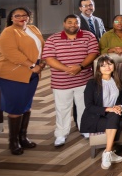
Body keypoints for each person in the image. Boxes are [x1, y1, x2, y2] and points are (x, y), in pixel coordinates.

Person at [0, 7, 45, 155]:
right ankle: (13, 142)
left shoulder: (33, 29)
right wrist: (32, 65)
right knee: (15, 107)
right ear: (11, 18)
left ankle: (23, 138)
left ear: (29, 17)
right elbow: (11, 53)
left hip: (32, 73)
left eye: (25, 15)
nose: (21, 18)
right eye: (17, 16)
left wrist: (43, 63)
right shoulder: (9, 32)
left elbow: (42, 47)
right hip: (11, 74)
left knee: (26, 105)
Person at [42, 14, 100, 146]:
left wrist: (80, 67)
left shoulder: (88, 36)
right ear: (64, 23)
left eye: (76, 22)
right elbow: (49, 58)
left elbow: (93, 53)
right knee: (62, 109)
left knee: (84, 106)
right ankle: (61, 134)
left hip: (84, 80)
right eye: (70, 22)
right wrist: (67, 69)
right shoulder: (53, 39)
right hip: (61, 82)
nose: (73, 25)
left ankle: (85, 129)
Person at [81, 55, 122, 169]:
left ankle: (108, 152)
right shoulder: (92, 83)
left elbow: (120, 101)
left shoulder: (117, 82)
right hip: (95, 117)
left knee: (115, 116)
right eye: (103, 65)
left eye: (109, 64)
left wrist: (119, 107)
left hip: (112, 115)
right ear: (98, 69)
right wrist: (109, 109)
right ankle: (109, 153)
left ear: (114, 66)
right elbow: (89, 106)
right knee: (116, 119)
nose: (107, 67)